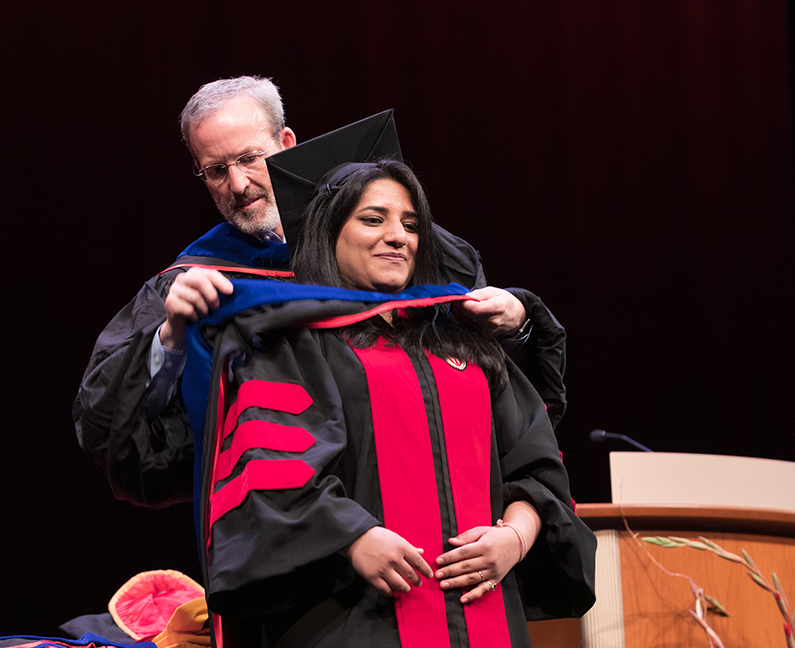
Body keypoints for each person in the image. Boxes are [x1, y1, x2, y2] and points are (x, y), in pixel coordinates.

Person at [181, 158, 595, 648]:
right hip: (349, 627)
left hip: (484, 621)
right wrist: (353, 538)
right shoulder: (294, 343)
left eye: (411, 223)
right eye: (374, 219)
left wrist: (513, 539)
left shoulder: (461, 343)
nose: (398, 236)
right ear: (331, 231)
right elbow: (270, 473)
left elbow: (537, 469)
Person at [74, 76, 566, 509]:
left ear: (286, 142)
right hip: (289, 516)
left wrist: (517, 325)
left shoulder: (404, 248)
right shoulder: (198, 277)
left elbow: (496, 393)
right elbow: (116, 426)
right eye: (215, 170)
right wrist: (171, 338)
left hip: (427, 492)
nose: (238, 184)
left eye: (250, 158)